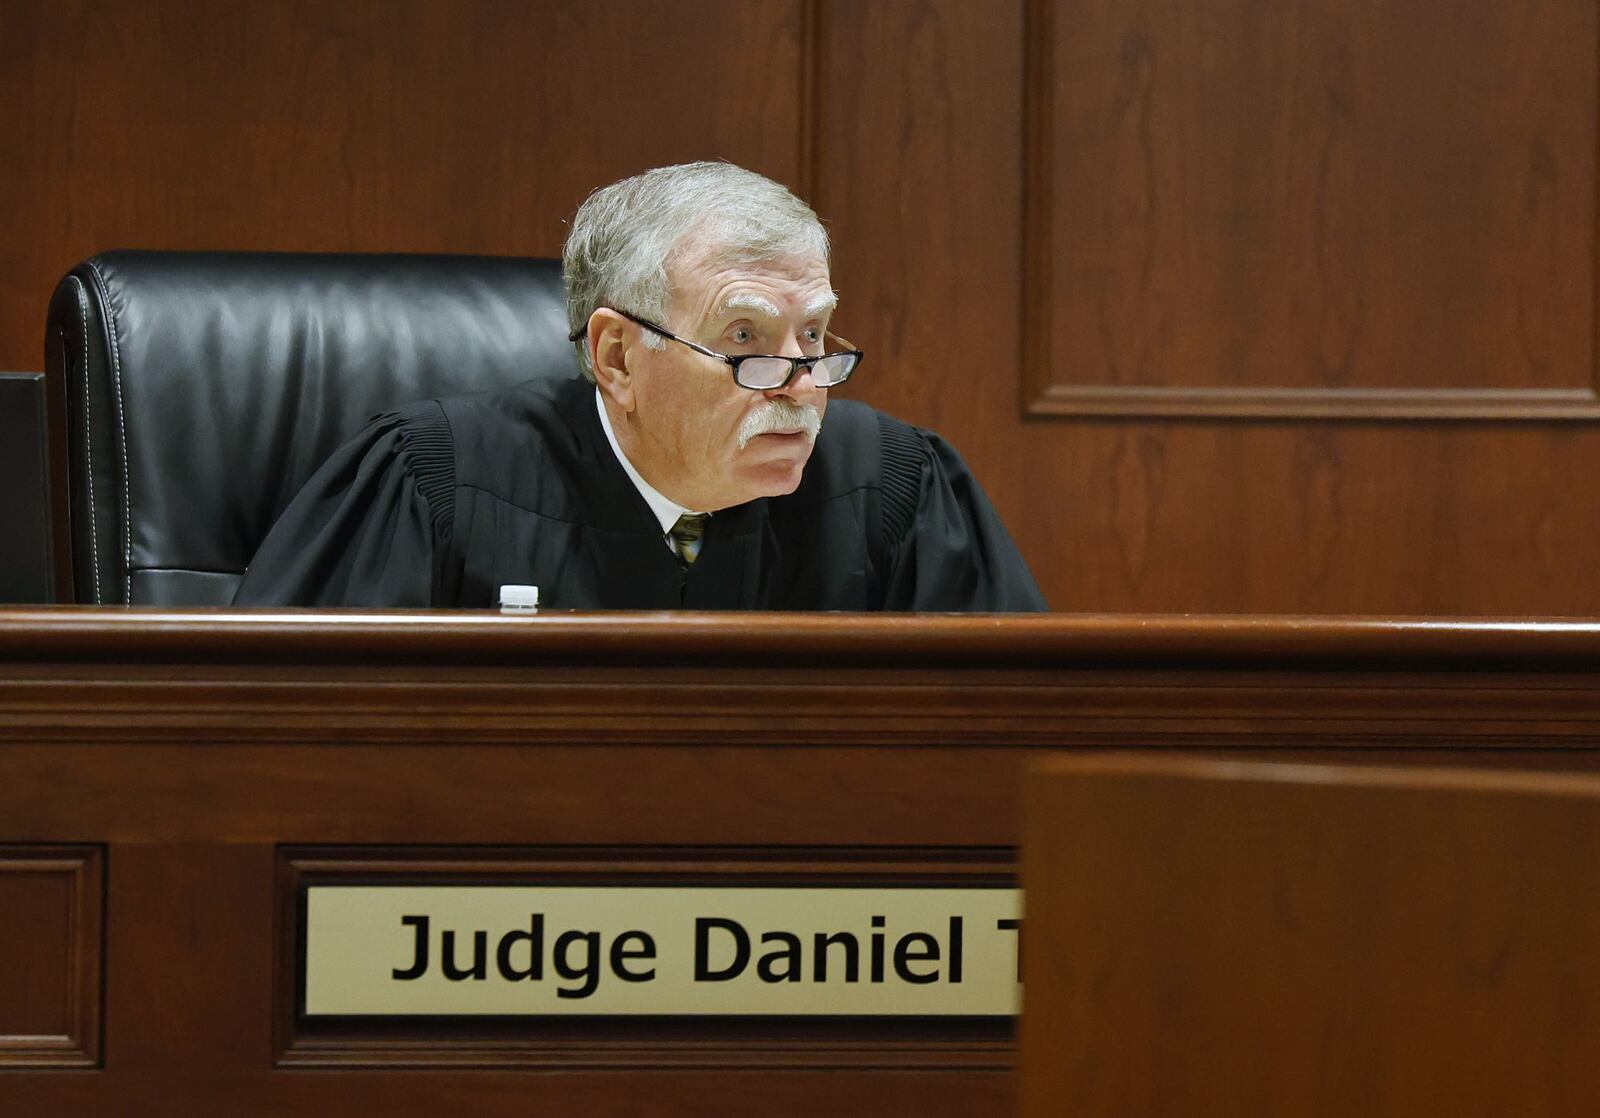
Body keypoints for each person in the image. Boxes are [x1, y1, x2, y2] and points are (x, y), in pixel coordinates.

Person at [232, 162, 1047, 610]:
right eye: (745, 338)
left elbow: (1017, 751)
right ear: (617, 357)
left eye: (814, 334)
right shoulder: (433, 481)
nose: (801, 386)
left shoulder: (897, 487)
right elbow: (272, 739)